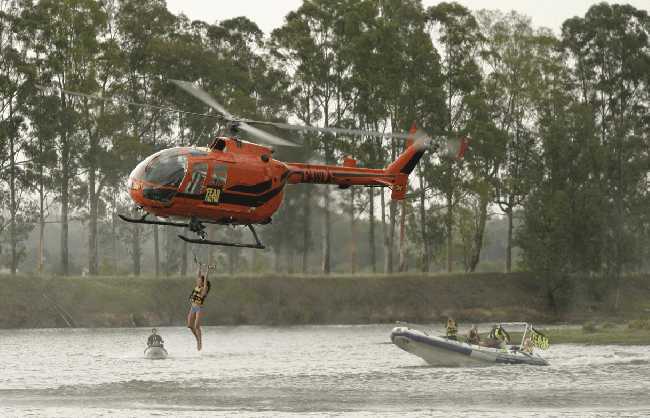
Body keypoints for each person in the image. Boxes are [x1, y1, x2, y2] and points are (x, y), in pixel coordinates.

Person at [187, 263, 211, 351]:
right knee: (190, 325)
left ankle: (199, 342)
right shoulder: (197, 286)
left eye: (200, 280)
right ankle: (197, 338)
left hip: (199, 308)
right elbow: (198, 275)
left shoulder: (204, 289)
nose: (198, 280)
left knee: (196, 326)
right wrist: (199, 267)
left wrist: (207, 270)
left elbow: (205, 280)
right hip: (193, 307)